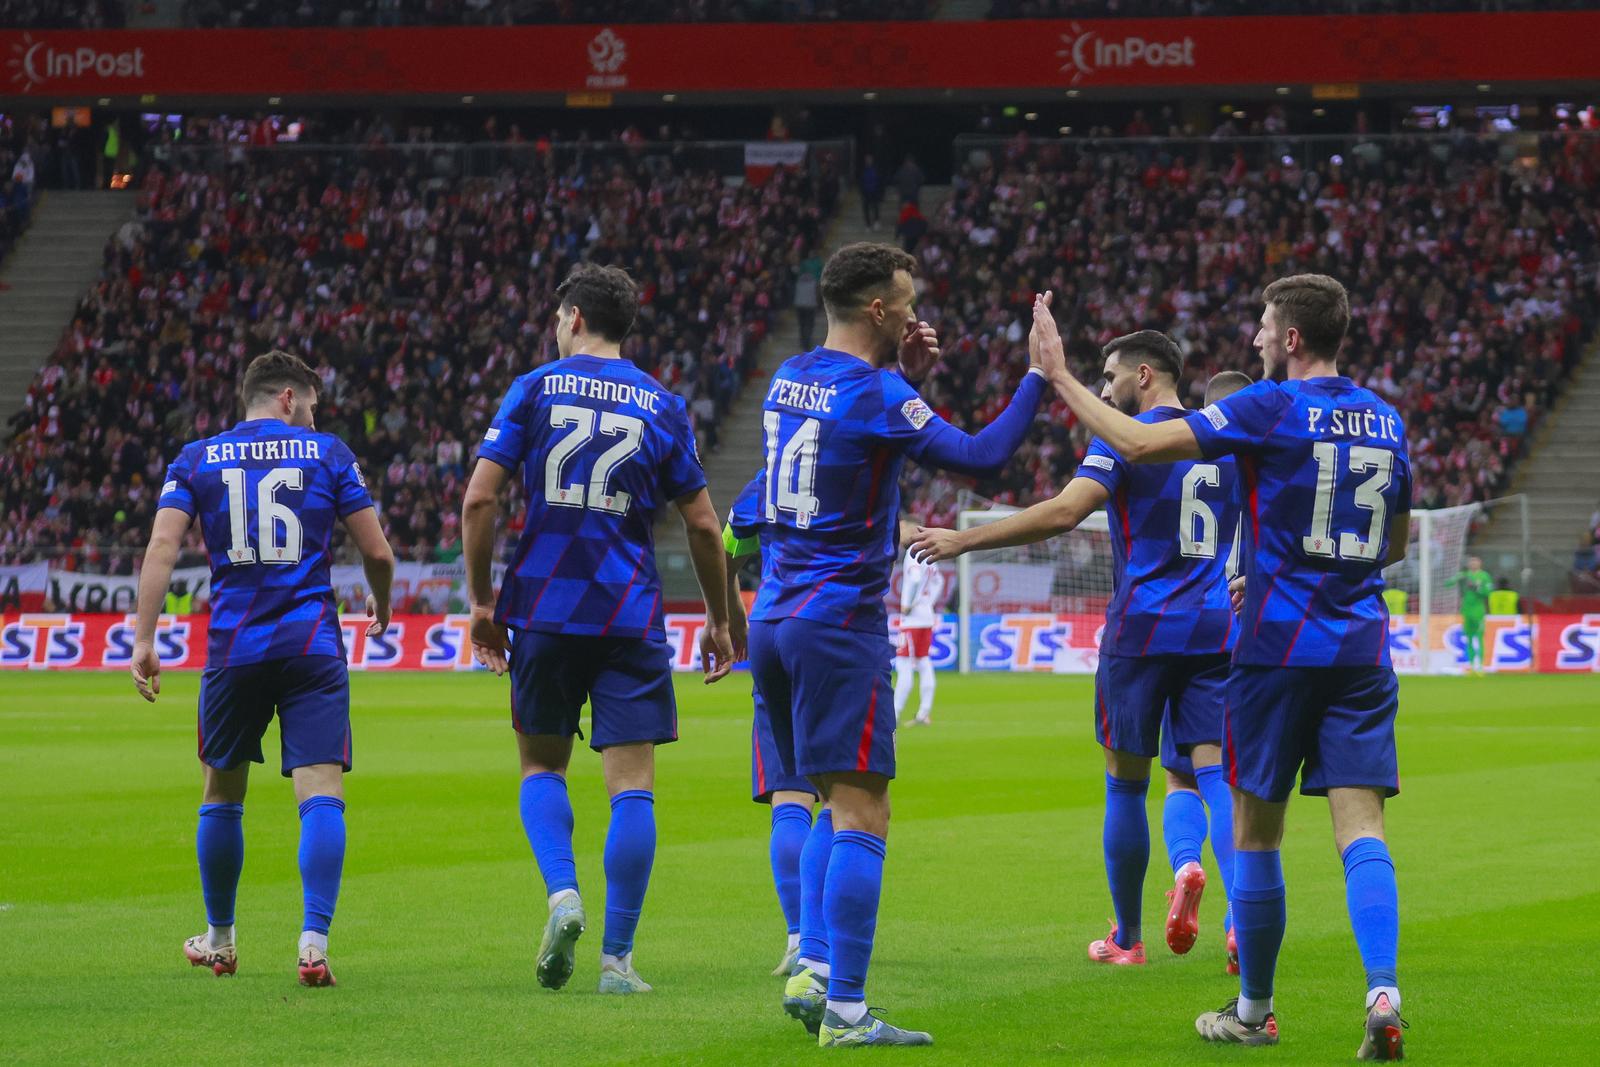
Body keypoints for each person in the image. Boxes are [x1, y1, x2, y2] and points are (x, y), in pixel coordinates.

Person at [1033, 275, 1412, 1060]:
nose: (1257, 340)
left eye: (1265, 327)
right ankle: (1382, 991)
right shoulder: (1386, 418)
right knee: (1363, 831)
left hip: (1275, 649)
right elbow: (1397, 544)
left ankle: (1254, 1010)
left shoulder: (1268, 405)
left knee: (1257, 833)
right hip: (1363, 646)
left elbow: (1139, 443)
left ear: (1293, 339)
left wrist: (1062, 376)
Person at [749, 241, 1059, 1047]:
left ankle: (814, 963)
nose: (920, 315)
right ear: (879, 309)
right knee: (863, 810)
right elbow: (984, 461)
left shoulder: (789, 376)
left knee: (822, 796)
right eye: (909, 302)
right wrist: (1041, 375)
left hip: (775, 619)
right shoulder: (878, 389)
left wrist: (909, 383)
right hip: (838, 623)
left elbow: (848, 446)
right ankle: (847, 1009)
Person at [911, 341, 1247, 973]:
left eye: (1111, 375)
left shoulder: (1125, 436)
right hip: (1211, 628)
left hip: (1142, 627)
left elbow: (1067, 511)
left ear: (1143, 376)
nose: (1104, 386)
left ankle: (1127, 937)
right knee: (1215, 777)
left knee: (1126, 784)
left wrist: (966, 539)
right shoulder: (1225, 439)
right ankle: (1243, 920)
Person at [460, 263, 735, 997]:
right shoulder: (662, 403)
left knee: (542, 767)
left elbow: (480, 499)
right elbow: (704, 524)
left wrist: (483, 602)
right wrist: (717, 617)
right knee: (632, 790)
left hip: (545, 609)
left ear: (575, 317)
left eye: (558, 317)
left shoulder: (535, 387)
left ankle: (562, 894)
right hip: (628, 613)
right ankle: (617, 960)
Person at [130, 349, 396, 989]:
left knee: (222, 796)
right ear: (285, 397)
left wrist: (144, 637)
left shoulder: (194, 459)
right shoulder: (328, 453)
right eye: (309, 404)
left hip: (233, 649)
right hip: (311, 646)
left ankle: (220, 940)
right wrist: (381, 606)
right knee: (321, 794)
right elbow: (378, 553)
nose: (313, 416)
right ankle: (313, 941)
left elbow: (163, 546)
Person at [725, 477, 822, 979]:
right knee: (855, 802)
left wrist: (725, 613)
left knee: (790, 798)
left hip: (773, 628)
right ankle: (825, 944)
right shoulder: (857, 458)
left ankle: (799, 937)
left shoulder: (768, 477)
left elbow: (727, 543)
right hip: (839, 630)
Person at [893, 518, 944, 727]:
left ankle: (894, 715)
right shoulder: (929, 553)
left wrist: (908, 603)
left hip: (913, 618)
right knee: (923, 662)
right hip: (926, 615)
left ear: (913, 529)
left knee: (904, 664)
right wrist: (928, 602)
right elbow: (939, 581)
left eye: (903, 528)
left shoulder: (914, 551)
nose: (900, 532)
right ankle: (924, 712)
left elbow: (914, 579)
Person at [1447, 556, 1494, 674]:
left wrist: (1477, 587)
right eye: (1471, 562)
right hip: (1466, 611)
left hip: (1478, 611)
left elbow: (1488, 592)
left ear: (1480, 563)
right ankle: (1472, 666)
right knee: (1469, 638)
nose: (1473, 564)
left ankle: (1481, 666)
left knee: (1479, 637)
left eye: (1475, 561)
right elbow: (1447, 584)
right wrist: (1456, 578)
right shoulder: (1465, 575)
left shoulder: (1484, 576)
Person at [794, 253, 822, 352]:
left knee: (802, 325)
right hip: (810, 305)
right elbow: (816, 294)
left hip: (800, 305)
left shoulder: (799, 281)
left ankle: (803, 340)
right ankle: (807, 342)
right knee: (809, 325)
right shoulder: (814, 282)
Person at [859, 154, 884, 231]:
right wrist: (862, 191)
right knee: (866, 209)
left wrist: (880, 192)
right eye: (867, 159)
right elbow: (861, 181)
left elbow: (879, 180)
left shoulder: (875, 169)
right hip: (866, 192)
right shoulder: (863, 170)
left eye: (869, 159)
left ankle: (876, 222)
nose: (868, 161)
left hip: (874, 192)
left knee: (875, 207)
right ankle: (868, 225)